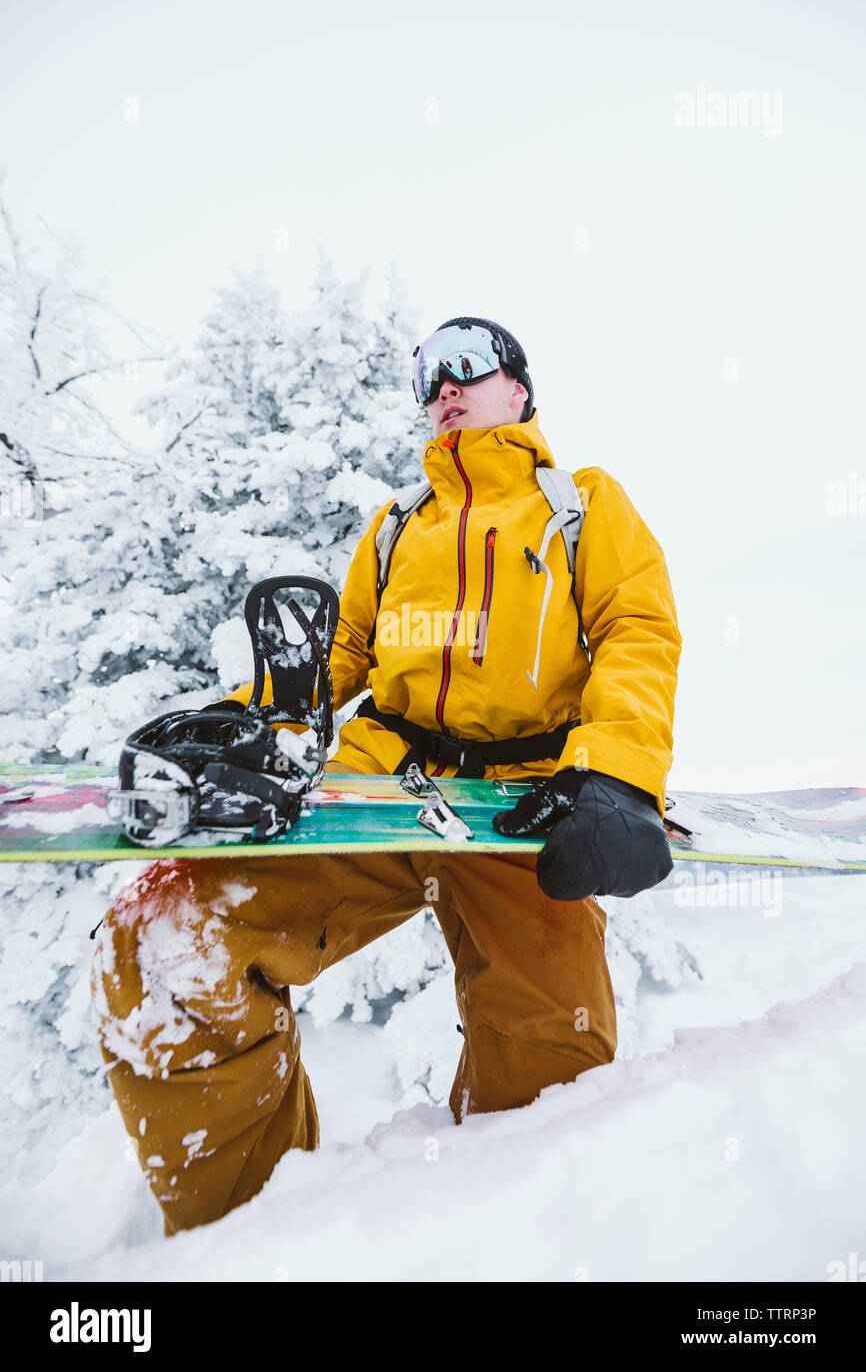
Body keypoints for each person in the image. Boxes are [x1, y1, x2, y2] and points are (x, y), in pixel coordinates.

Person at [91, 316, 681, 1235]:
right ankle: (237, 1243)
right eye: (427, 374)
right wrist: (246, 724)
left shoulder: (582, 506)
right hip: (381, 785)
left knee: (554, 1075)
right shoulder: (398, 524)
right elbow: (345, 656)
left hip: (521, 802)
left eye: (468, 366)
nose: (445, 384)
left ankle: (487, 1246)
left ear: (518, 389)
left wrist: (615, 769)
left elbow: (636, 634)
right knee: (167, 937)